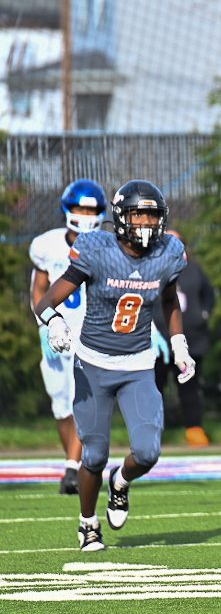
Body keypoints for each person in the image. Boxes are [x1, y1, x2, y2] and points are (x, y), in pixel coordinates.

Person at [33, 179, 196, 551]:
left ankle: (120, 482)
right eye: (138, 215)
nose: (146, 223)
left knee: (148, 452)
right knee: (93, 454)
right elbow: (46, 300)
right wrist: (54, 322)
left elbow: (170, 299)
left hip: (138, 364)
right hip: (93, 363)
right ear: (121, 217)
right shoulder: (97, 250)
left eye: (152, 216)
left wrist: (179, 342)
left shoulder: (168, 252)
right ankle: (88, 523)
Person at [29, 179, 106, 495]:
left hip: (91, 335)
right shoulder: (46, 245)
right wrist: (44, 325)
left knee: (82, 403)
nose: (85, 215)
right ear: (67, 209)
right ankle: (73, 464)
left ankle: (74, 469)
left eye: (91, 210)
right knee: (61, 406)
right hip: (56, 334)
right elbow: (38, 290)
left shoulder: (106, 246)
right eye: (80, 209)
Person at [151, 229, 216, 448]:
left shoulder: (194, 269)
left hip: (191, 340)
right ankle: (151, 431)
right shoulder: (151, 268)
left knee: (190, 388)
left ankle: (194, 429)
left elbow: (209, 294)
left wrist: (204, 314)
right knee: (154, 388)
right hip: (159, 342)